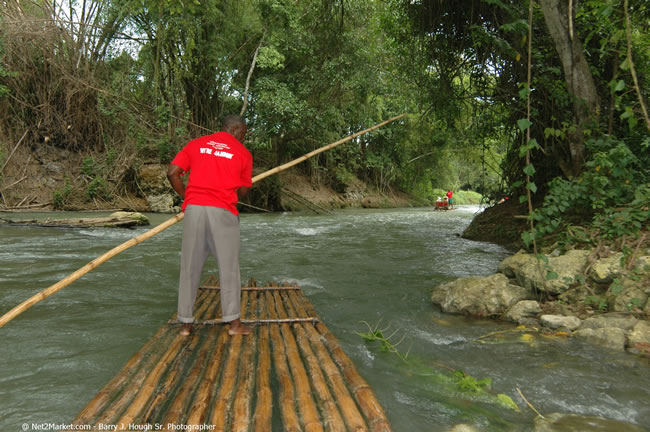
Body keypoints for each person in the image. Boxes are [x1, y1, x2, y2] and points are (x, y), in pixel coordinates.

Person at [167, 114, 253, 337]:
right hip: (223, 212)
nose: (243, 138)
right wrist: (245, 182)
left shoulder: (195, 145)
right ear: (235, 130)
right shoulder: (243, 153)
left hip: (194, 210)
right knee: (229, 269)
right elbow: (243, 193)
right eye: (243, 133)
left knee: (189, 268)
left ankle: (185, 325)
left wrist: (188, 198)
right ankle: (234, 325)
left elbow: (173, 173)